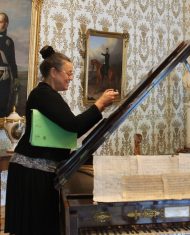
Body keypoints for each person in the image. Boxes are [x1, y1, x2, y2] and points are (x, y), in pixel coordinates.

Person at [4, 45, 119, 235]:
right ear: (53, 72)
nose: (71, 77)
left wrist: (100, 108)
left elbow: (69, 128)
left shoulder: (49, 95)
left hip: (38, 172)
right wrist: (99, 104)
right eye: (69, 73)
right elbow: (73, 126)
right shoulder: (43, 94)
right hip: (32, 173)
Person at [0, 12, 18, 117]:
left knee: (3, 101)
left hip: (5, 75)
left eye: (1, 22)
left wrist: (15, 78)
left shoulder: (9, 41)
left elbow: (12, 62)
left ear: (6, 24)